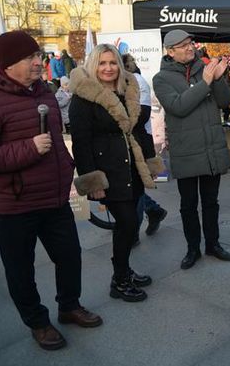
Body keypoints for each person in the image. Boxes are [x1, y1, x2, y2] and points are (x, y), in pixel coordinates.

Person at [0, 31, 102, 351]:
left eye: (38, 56)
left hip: (53, 197)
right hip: (12, 204)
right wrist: (28, 149)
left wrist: (67, 174)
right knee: (21, 270)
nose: (40, 62)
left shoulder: (44, 92)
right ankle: (37, 322)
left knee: (69, 256)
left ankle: (69, 306)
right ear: (8, 64)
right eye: (30, 58)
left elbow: (56, 143)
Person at [69, 44, 164, 303]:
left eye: (112, 63)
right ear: (93, 66)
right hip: (108, 171)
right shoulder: (83, 97)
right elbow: (80, 142)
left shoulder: (127, 90)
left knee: (131, 221)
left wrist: (150, 164)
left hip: (131, 167)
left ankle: (124, 271)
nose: (108, 68)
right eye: (102, 63)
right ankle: (119, 280)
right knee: (127, 224)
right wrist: (93, 181)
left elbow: (139, 131)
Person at [152, 29, 230, 270]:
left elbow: (224, 101)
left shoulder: (204, 69)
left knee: (211, 202)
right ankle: (192, 249)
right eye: (182, 45)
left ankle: (213, 244)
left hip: (211, 150)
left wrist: (218, 79)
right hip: (185, 151)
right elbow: (178, 106)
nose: (190, 48)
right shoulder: (161, 78)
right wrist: (206, 82)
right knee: (188, 205)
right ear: (170, 51)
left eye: (190, 43)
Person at [121, 53, 168, 242]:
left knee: (135, 186)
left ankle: (133, 232)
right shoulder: (120, 82)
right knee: (132, 186)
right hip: (126, 141)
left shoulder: (137, 81)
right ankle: (153, 210)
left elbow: (142, 115)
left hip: (139, 139)